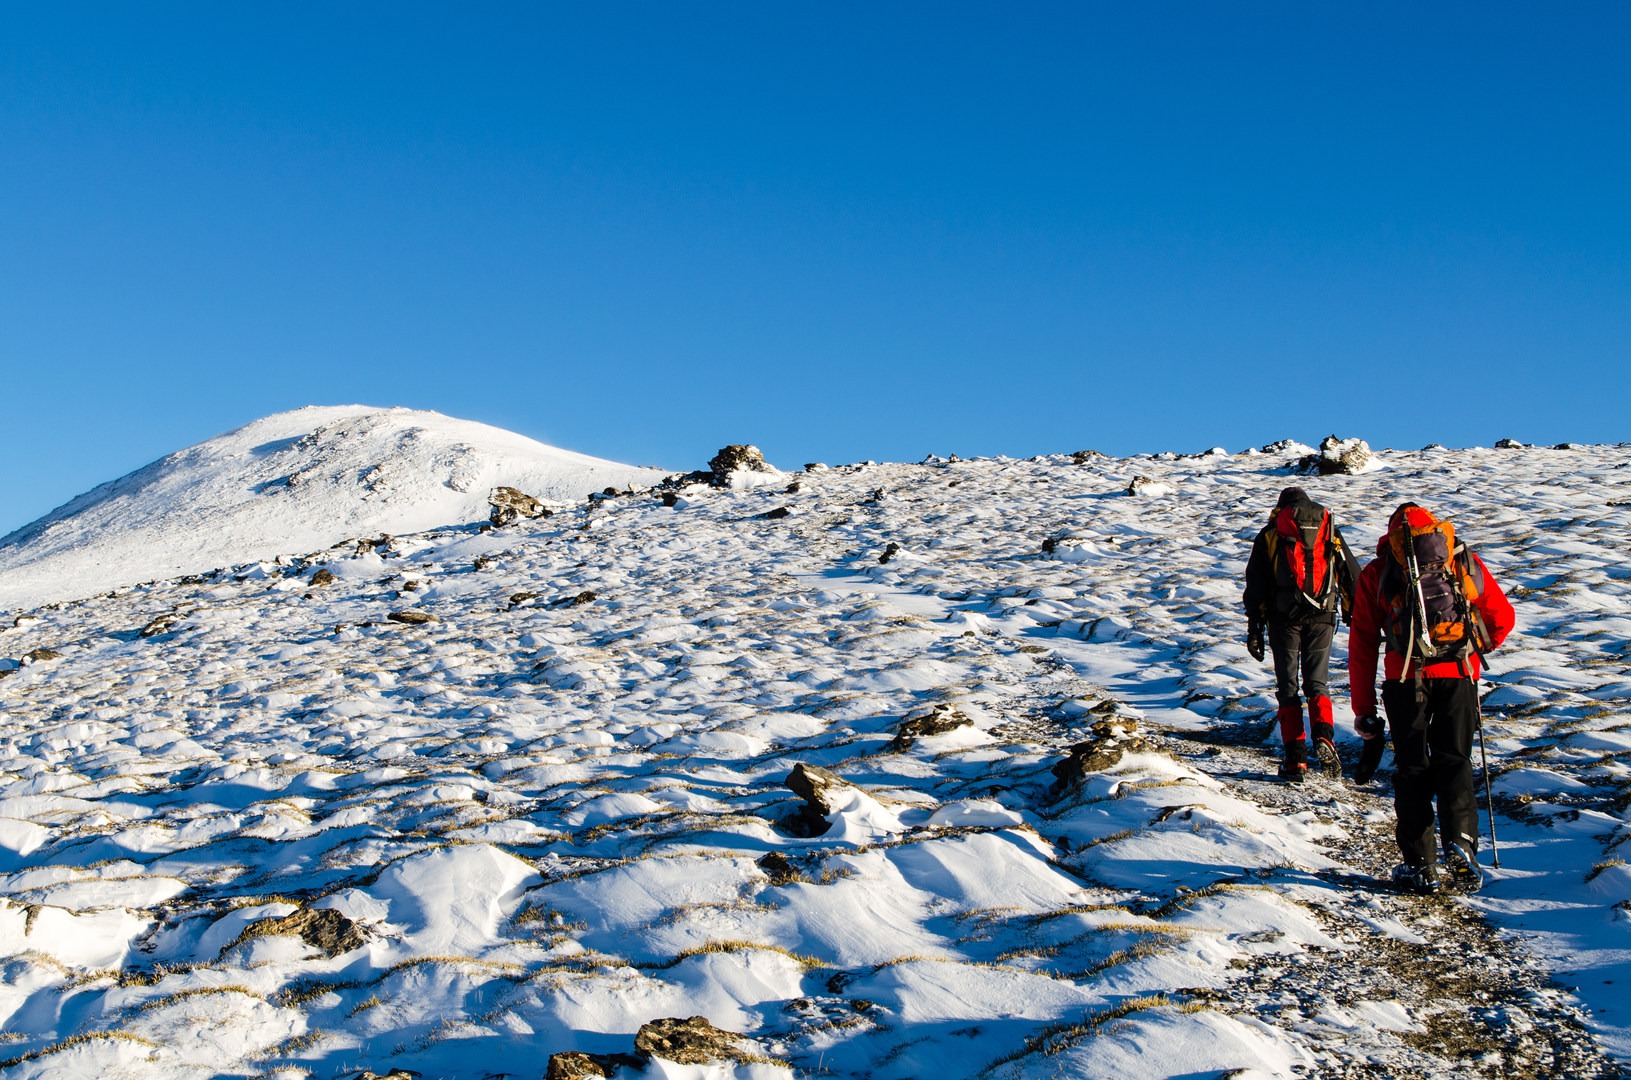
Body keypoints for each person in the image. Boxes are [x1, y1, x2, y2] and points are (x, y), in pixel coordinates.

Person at [1348, 502, 1515, 895]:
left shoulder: (1378, 571)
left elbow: (1363, 643)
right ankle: (1461, 842)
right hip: (1458, 675)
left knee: (1412, 767)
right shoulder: (1460, 561)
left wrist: (1364, 708)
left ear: (1392, 535)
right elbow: (1502, 617)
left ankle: (1420, 864)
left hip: (1405, 678)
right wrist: (1471, 653)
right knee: (1454, 760)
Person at [1243, 487, 1361, 782]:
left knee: (1288, 688)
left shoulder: (1272, 532)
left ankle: (1295, 760)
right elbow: (1350, 573)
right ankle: (1324, 738)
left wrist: (1255, 626)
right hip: (1322, 616)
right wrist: (1352, 610)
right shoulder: (1328, 529)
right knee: (1317, 683)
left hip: (1283, 620)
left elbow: (1256, 583)